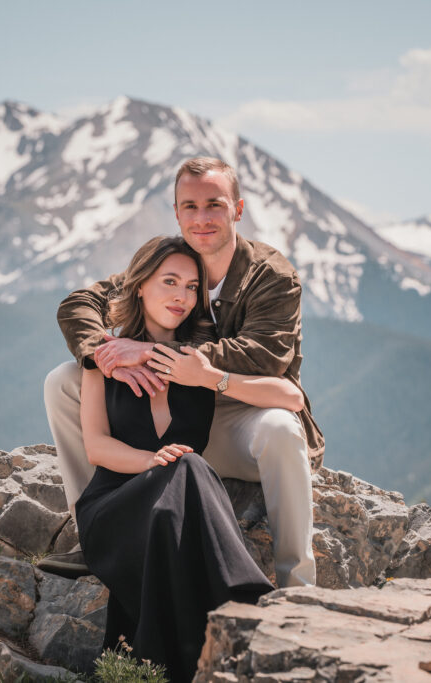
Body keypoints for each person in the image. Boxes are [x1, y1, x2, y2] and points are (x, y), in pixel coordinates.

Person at [43, 157, 324, 587]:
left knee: (282, 429)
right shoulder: (174, 261)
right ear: (176, 212)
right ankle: (99, 536)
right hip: (169, 421)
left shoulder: (271, 275)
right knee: (64, 381)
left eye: (214, 204)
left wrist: (153, 352)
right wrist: (108, 353)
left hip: (237, 411)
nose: (202, 218)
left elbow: (263, 357)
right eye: (189, 206)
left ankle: (296, 586)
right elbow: (79, 304)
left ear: (238, 209)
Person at [75, 236, 277, 681]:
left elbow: (290, 397)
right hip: (113, 507)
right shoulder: (106, 358)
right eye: (169, 281)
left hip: (172, 510)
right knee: (186, 465)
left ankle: (168, 663)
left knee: (183, 483)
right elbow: (96, 447)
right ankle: (246, 604)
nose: (181, 296)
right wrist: (153, 461)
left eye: (191, 287)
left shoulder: (199, 360)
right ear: (140, 285)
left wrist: (213, 378)